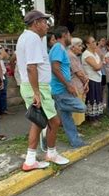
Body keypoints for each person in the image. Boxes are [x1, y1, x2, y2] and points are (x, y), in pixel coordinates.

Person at [16, 10, 69, 171]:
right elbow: (31, 67)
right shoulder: (32, 38)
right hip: (37, 87)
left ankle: (32, 159)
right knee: (54, 121)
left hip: (35, 87)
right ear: (36, 23)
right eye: (45, 22)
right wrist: (37, 93)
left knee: (39, 123)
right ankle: (49, 154)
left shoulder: (27, 37)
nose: (47, 26)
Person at [50, 26, 87, 148]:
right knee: (81, 107)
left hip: (62, 88)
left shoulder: (61, 48)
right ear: (65, 35)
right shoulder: (58, 48)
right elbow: (55, 68)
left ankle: (75, 141)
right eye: (70, 35)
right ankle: (60, 105)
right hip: (61, 89)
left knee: (67, 119)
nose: (70, 38)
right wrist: (68, 85)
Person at [82, 36, 104, 123]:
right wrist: (102, 61)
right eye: (93, 42)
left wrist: (99, 63)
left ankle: (97, 116)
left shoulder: (95, 53)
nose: (95, 43)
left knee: (97, 97)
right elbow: (97, 66)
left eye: (95, 41)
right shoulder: (87, 54)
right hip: (91, 79)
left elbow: (98, 66)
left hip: (97, 78)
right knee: (92, 98)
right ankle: (91, 118)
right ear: (87, 44)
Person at [68, 37, 89, 126]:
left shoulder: (73, 56)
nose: (82, 47)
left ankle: (75, 127)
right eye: (79, 46)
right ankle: (74, 127)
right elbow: (78, 73)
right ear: (73, 47)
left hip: (77, 84)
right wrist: (85, 82)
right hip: (75, 85)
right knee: (76, 109)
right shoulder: (71, 56)